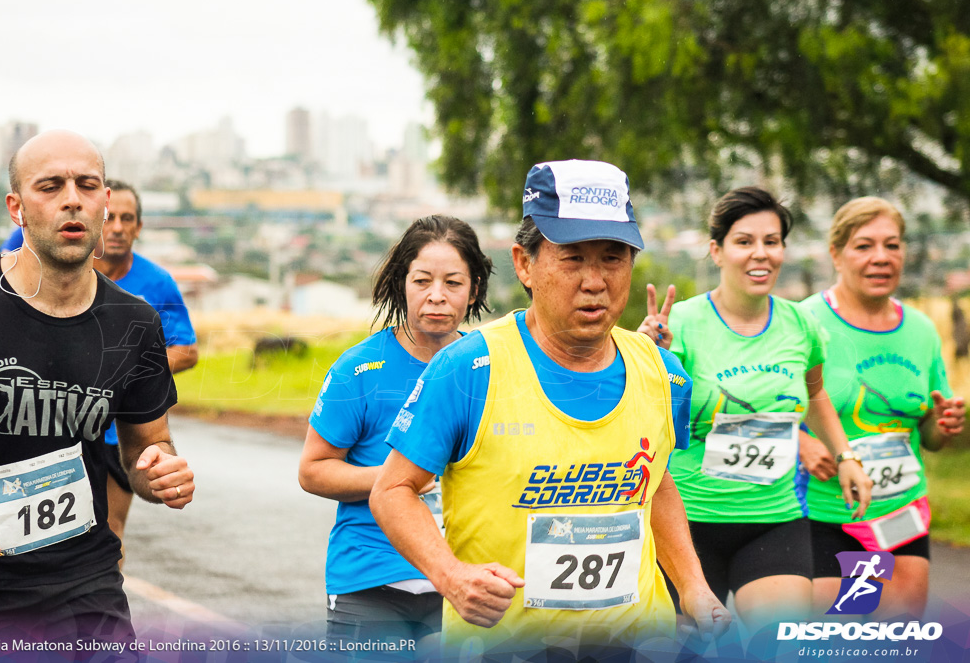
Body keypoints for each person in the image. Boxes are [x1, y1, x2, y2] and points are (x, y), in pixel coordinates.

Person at [369, 160, 730, 659]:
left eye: (613, 257)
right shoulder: (470, 369)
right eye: (572, 258)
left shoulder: (662, 372)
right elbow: (392, 491)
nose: (595, 281)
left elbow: (657, 481)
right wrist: (451, 577)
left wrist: (692, 586)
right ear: (524, 264)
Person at [0, 130, 194, 649]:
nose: (72, 198)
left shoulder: (135, 322)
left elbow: (146, 448)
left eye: (87, 184)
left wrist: (161, 472)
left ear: (106, 202)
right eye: (50, 185)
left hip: (88, 585)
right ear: (17, 206)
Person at [637, 187, 873, 634]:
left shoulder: (802, 325)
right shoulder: (678, 325)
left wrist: (846, 457)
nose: (759, 254)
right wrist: (651, 357)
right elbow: (645, 418)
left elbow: (816, 397)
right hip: (686, 523)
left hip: (774, 519)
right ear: (717, 250)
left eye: (772, 241)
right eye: (744, 241)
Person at [298, 215, 494, 652]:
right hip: (370, 581)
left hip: (467, 583)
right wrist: (400, 478)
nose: (436, 296)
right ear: (402, 284)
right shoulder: (359, 369)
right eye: (422, 280)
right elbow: (312, 471)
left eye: (454, 283)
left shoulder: (492, 368)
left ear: (475, 289)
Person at [799, 196, 964, 619]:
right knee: (832, 639)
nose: (881, 258)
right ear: (836, 254)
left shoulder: (922, 330)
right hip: (822, 511)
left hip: (899, 509)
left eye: (892, 245)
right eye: (864, 245)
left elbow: (929, 438)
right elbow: (767, 409)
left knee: (895, 637)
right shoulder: (805, 323)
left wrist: (942, 425)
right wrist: (801, 442)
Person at [94, 179, 198, 567]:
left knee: (109, 531)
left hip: (119, 434)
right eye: (109, 217)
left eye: (128, 218)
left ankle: (103, 622)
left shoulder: (156, 283)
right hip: (66, 425)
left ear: (139, 227)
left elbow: (186, 350)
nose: (117, 227)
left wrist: (128, 373)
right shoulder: (67, 276)